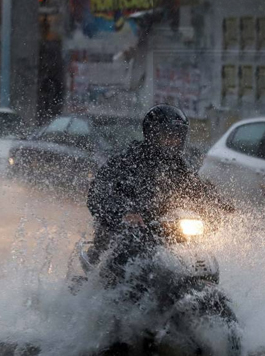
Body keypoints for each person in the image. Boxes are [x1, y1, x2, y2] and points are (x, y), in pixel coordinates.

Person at [87, 104, 232, 263]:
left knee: (195, 252)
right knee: (121, 254)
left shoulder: (179, 167)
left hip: (163, 233)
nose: (173, 141)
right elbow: (97, 193)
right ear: (152, 135)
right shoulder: (125, 161)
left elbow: (197, 189)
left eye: (177, 136)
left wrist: (221, 207)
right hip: (122, 232)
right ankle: (106, 284)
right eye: (167, 135)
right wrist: (124, 212)